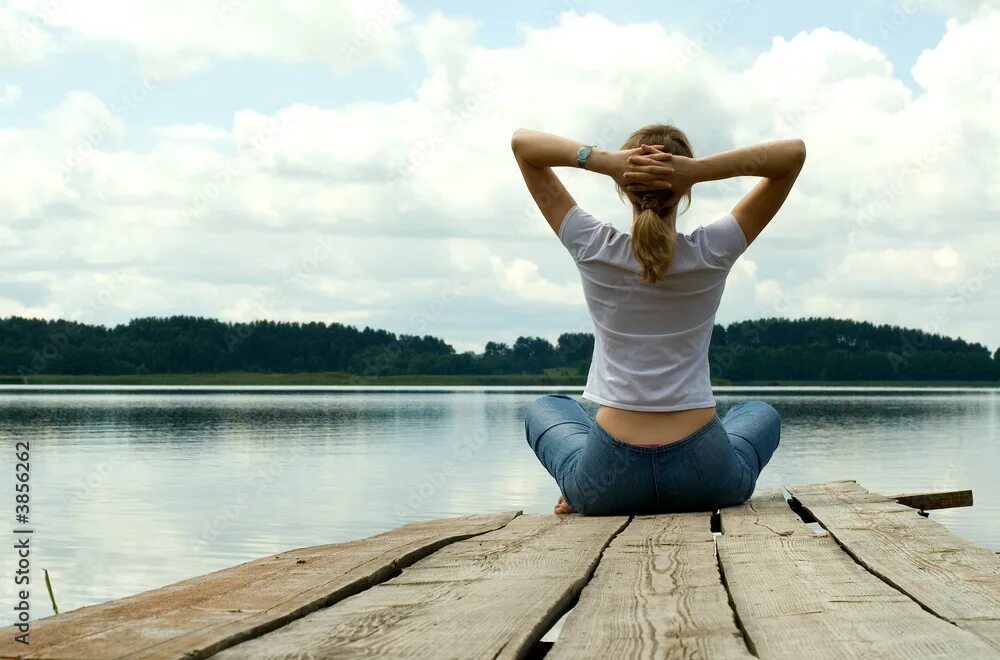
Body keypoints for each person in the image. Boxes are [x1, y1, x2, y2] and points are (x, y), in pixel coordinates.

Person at [511, 124, 806, 515]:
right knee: (759, 413)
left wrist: (603, 162)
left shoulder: (592, 245)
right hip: (706, 481)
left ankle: (576, 487)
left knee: (545, 408)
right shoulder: (713, 250)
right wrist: (697, 171)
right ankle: (586, 482)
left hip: (607, 483)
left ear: (623, 187)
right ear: (684, 191)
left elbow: (523, 145)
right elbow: (793, 155)